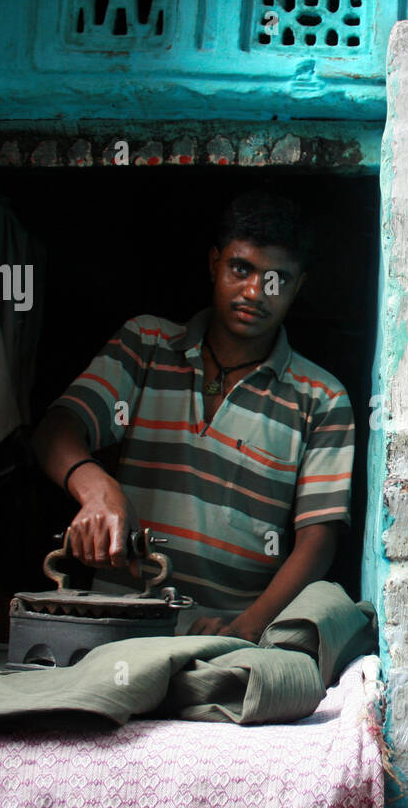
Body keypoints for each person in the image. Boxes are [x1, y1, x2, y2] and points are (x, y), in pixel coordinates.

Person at [32, 191, 354, 642]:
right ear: (214, 264)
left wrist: (248, 626)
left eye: (277, 279)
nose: (255, 293)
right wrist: (99, 491)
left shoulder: (321, 398)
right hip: (117, 621)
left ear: (299, 287)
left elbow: (318, 541)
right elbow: (56, 430)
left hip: (226, 635)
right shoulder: (145, 344)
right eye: (241, 269)